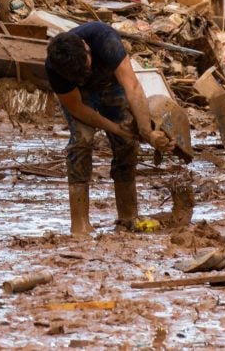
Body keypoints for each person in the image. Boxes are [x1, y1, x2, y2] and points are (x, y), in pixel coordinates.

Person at [44, 22, 173, 235]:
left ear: (86, 47)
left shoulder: (104, 39)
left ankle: (128, 216)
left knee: (126, 143)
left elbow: (132, 86)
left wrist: (147, 132)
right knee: (81, 142)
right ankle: (80, 225)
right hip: (81, 98)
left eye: (86, 67)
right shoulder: (55, 67)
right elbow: (77, 107)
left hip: (112, 85)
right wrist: (114, 128)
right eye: (79, 75)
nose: (86, 74)